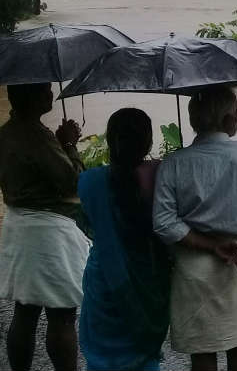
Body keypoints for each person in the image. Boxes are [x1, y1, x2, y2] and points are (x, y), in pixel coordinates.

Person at [153, 86, 237, 371]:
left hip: (192, 260)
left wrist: (209, 243)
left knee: (203, 351)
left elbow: (163, 223)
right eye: (235, 113)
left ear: (193, 120)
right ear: (228, 120)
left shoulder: (173, 163)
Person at [0, 83, 88, 371]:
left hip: (18, 226)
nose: (51, 94)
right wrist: (70, 144)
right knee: (61, 314)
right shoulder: (37, 136)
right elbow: (73, 183)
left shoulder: (6, 133)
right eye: (45, 89)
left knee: (25, 312)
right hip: (48, 233)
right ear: (30, 96)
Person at [77, 108, 171, 371]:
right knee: (143, 355)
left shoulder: (89, 181)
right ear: (148, 141)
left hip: (105, 277)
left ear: (110, 141)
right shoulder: (160, 174)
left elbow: (86, 224)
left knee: (101, 358)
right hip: (150, 274)